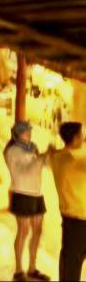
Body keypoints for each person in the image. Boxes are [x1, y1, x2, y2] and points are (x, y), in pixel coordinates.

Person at [5, 121, 50, 281]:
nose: (29, 134)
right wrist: (40, 159)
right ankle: (18, 270)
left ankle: (32, 267)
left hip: (37, 193)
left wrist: (47, 157)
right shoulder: (12, 151)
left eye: (29, 131)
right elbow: (22, 172)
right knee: (23, 232)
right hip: (22, 193)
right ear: (17, 134)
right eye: (25, 132)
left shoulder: (32, 147)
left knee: (37, 231)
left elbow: (41, 166)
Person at [51, 121, 86, 282]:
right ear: (75, 138)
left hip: (70, 223)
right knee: (71, 268)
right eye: (81, 134)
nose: (84, 137)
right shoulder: (77, 162)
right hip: (81, 222)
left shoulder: (58, 158)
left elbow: (56, 151)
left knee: (69, 266)